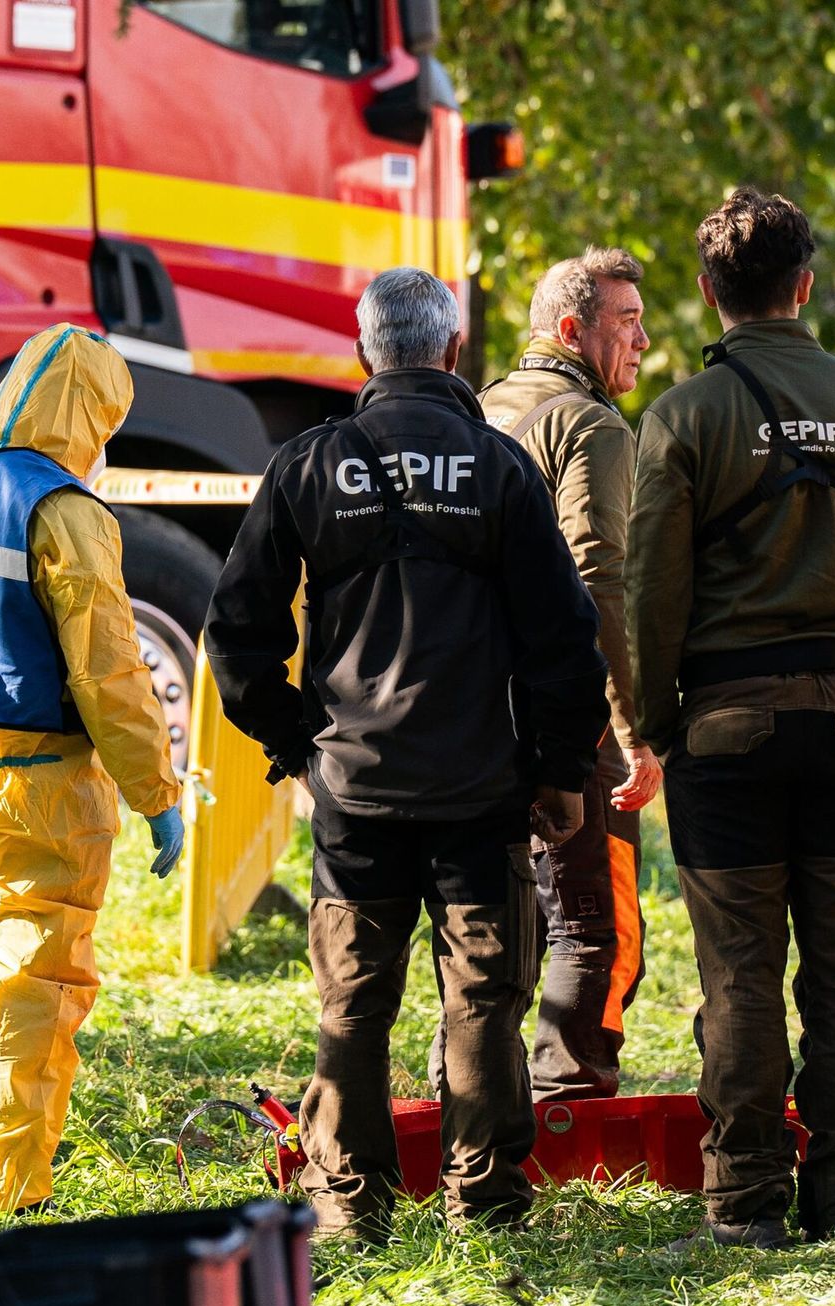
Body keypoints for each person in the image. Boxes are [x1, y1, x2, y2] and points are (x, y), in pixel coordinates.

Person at [203, 267, 609, 1240]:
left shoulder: (308, 462)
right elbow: (564, 637)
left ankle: (349, 1202)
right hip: (480, 789)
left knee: (351, 1000)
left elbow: (236, 629)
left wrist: (294, 737)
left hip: (354, 794)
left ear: (360, 354)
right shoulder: (500, 468)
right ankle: (486, 1203)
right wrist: (558, 772)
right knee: (481, 998)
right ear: (455, 351)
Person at [626, 189, 835, 1249]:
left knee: (738, 972)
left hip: (724, 725)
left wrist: (656, 720)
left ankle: (745, 1201)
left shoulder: (680, 415)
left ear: (708, 292)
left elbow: (650, 594)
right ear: (804, 284)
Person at [0, 323, 184, 1212]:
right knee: (34, 987)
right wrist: (158, 794)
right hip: (38, 788)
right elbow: (110, 671)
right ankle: (1, 1190)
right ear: (89, 414)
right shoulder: (64, 512)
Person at [475, 247, 660, 1100]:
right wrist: (631, 729)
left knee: (492, 929)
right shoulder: (590, 425)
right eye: (625, 324)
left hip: (471, 718)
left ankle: (473, 1105)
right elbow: (600, 581)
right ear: (569, 331)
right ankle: (569, 1113)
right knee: (597, 928)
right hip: (568, 719)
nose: (644, 342)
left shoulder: (477, 413)